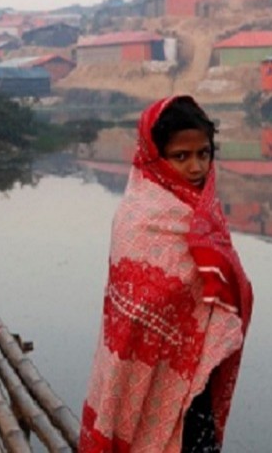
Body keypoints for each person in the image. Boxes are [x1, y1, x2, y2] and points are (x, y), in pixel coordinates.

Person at [80, 95, 254, 453]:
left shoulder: (205, 213)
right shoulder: (139, 217)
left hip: (196, 380)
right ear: (153, 157)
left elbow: (221, 286)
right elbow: (135, 314)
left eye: (204, 154)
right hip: (143, 371)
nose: (196, 168)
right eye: (181, 156)